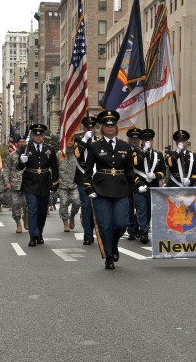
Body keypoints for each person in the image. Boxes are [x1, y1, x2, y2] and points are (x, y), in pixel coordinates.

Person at [82, 110, 141, 270]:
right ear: (102, 128)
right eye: (107, 126)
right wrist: (89, 189)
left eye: (113, 125)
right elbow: (87, 172)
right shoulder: (95, 146)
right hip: (101, 190)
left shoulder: (124, 147)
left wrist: (137, 184)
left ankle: (114, 244)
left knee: (121, 223)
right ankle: (108, 256)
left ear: (116, 127)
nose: (110, 128)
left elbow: (129, 170)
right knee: (104, 225)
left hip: (121, 190)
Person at [18, 124, 60, 247]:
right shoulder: (26, 148)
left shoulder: (50, 149)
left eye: (40, 135)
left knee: (42, 211)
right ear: (31, 136)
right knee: (32, 209)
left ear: (44, 136)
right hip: (30, 183)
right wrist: (22, 161)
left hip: (45, 184)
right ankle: (33, 236)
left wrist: (55, 184)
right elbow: (18, 167)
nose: (38, 137)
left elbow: (54, 168)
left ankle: (39, 233)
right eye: (35, 135)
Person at [132, 128, 166, 244]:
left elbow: (163, 172)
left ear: (153, 140)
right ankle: (144, 232)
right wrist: (144, 150)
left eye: (150, 140)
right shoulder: (136, 152)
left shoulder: (159, 155)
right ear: (142, 141)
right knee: (142, 210)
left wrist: (155, 175)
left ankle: (141, 226)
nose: (148, 142)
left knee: (149, 210)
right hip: (140, 186)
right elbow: (135, 163)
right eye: (145, 140)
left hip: (153, 187)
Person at [73, 115, 98, 245]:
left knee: (97, 207)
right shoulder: (77, 140)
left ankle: (93, 228)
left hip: (97, 178)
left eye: (92, 126)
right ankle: (88, 235)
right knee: (87, 206)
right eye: (87, 126)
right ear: (83, 127)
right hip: (83, 177)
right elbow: (77, 154)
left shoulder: (99, 141)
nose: (90, 128)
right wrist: (85, 139)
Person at [4, 135, 28, 233]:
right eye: (20, 141)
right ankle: (18, 223)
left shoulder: (30, 154)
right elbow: (6, 170)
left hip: (27, 184)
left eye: (23, 141)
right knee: (16, 204)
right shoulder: (11, 155)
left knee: (27, 204)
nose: (22, 143)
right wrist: (7, 182)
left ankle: (25, 217)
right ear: (17, 144)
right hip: (15, 184)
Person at [57, 145, 80, 233]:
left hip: (74, 184)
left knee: (77, 202)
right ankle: (66, 223)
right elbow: (54, 167)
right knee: (63, 203)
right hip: (62, 184)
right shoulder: (59, 154)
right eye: (68, 140)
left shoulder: (77, 153)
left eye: (72, 140)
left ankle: (72, 216)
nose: (70, 142)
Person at [126, 127, 143, 240]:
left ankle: (139, 227)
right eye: (133, 138)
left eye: (137, 139)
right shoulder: (126, 150)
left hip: (140, 183)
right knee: (129, 208)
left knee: (140, 207)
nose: (135, 141)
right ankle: (132, 229)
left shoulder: (144, 151)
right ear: (129, 140)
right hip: (127, 183)